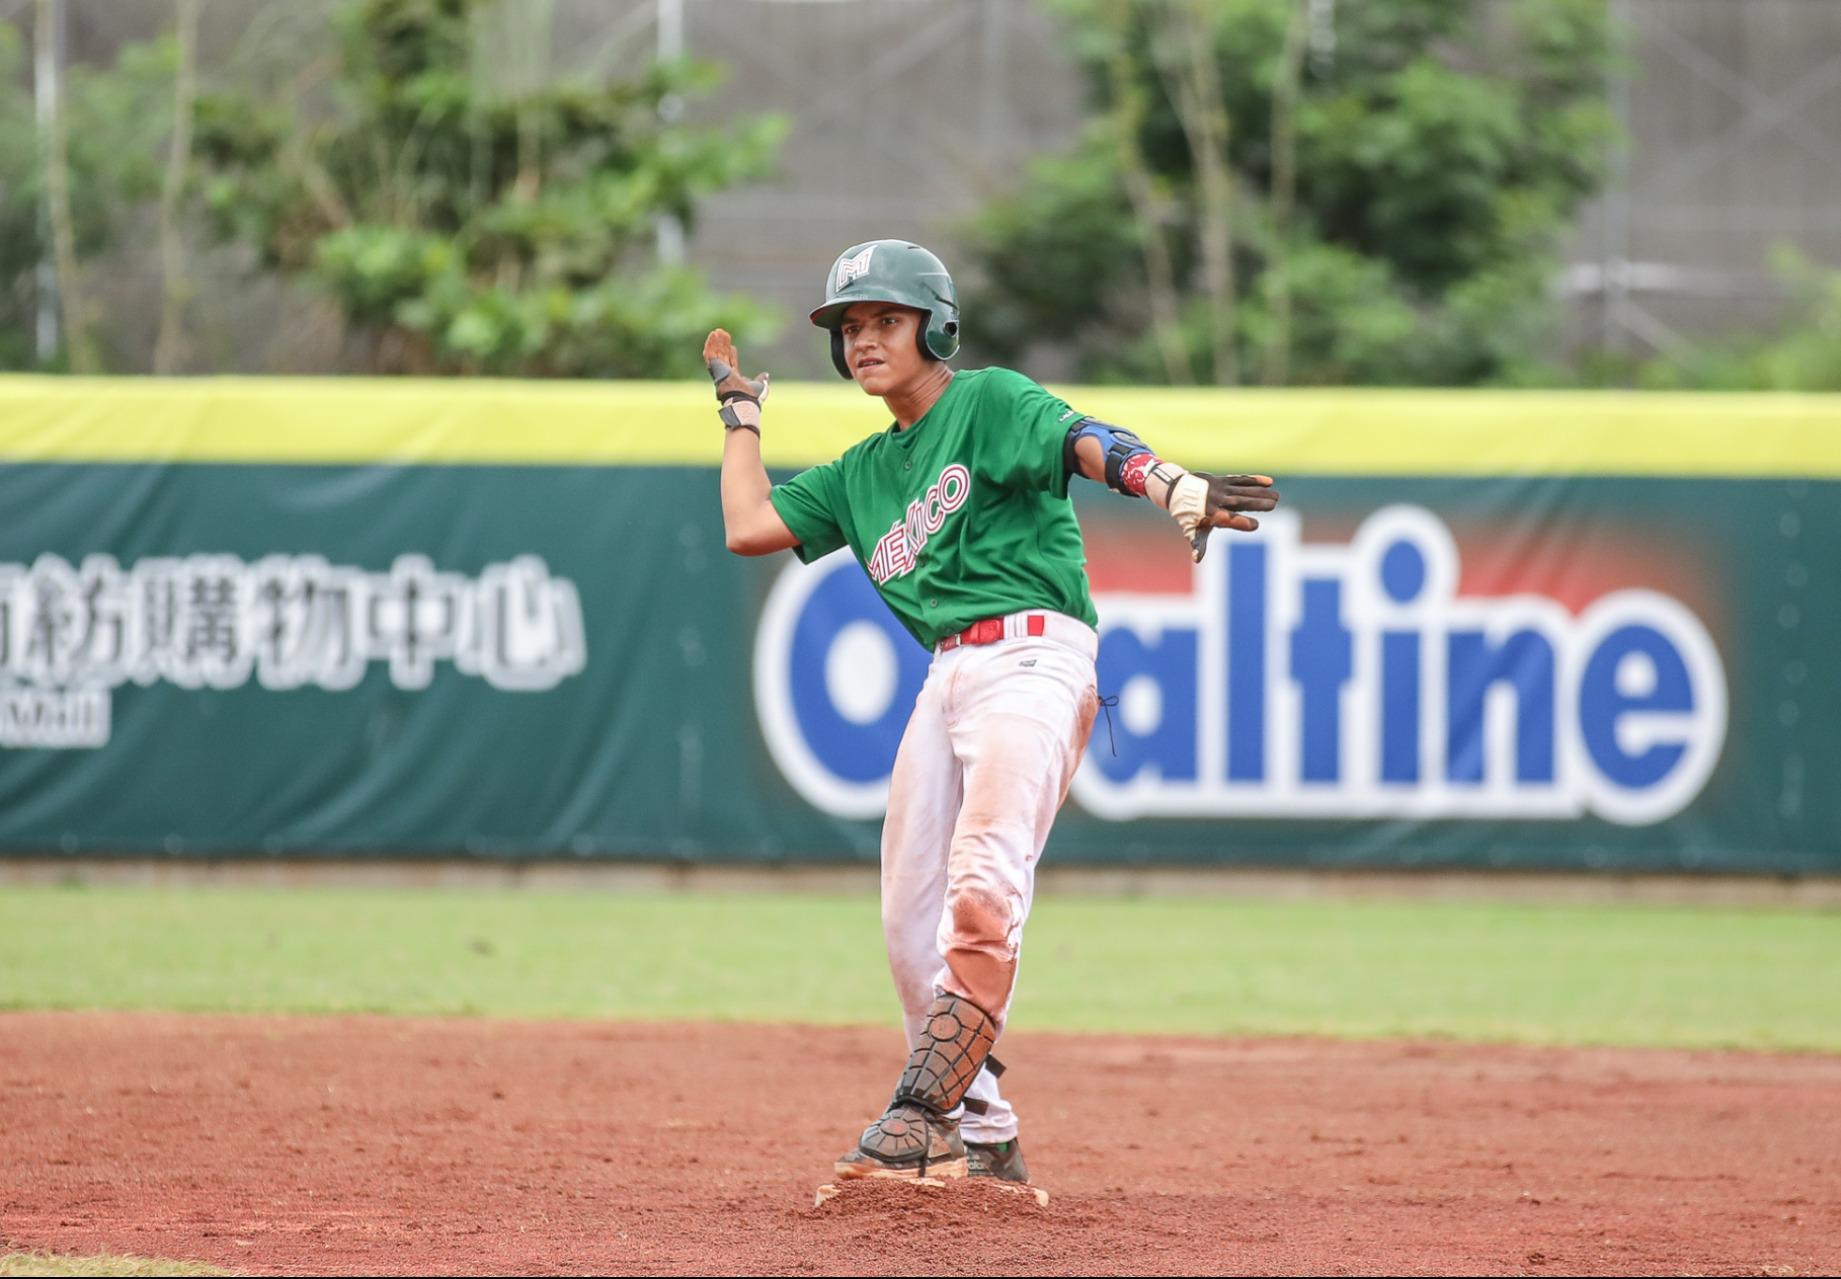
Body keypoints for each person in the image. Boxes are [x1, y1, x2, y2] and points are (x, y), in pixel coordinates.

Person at [704, 239, 1277, 1185]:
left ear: (935, 325)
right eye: (849, 327)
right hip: (947, 676)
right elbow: (745, 527)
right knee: (906, 921)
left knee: (981, 883)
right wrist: (740, 417)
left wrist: (1163, 480)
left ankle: (919, 1109)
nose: (864, 341)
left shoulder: (988, 399)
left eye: (885, 320)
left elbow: (1082, 439)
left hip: (1035, 656)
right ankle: (985, 1134)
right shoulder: (858, 474)